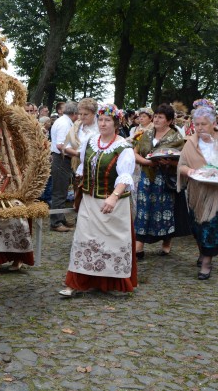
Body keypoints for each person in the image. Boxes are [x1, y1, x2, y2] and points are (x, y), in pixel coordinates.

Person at [59, 104, 136, 297]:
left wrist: (113, 196)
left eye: (107, 120)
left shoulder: (124, 147)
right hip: (89, 200)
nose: (103, 123)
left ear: (116, 123)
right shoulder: (90, 142)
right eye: (101, 119)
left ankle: (113, 282)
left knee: (112, 243)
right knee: (83, 241)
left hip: (113, 203)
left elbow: (125, 177)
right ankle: (76, 282)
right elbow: (84, 166)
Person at [177, 100, 218, 280]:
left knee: (213, 226)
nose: (199, 128)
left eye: (203, 124)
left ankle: (207, 261)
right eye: (196, 124)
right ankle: (202, 250)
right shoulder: (190, 143)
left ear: (213, 123)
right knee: (198, 226)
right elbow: (181, 165)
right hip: (197, 192)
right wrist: (189, 171)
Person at [133, 104, 186, 259]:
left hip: (164, 179)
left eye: (160, 117)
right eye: (155, 116)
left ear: (169, 121)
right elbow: (134, 152)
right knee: (143, 210)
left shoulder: (176, 137)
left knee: (164, 210)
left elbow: (183, 160)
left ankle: (166, 241)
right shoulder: (146, 133)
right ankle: (139, 245)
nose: (156, 119)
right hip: (146, 176)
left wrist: (169, 162)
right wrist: (146, 162)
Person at [49, 101, 78, 232]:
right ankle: (56, 222)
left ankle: (60, 218)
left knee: (63, 190)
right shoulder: (64, 123)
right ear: (74, 113)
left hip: (63, 159)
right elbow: (61, 145)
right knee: (59, 192)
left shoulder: (64, 121)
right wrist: (77, 154)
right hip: (61, 159)